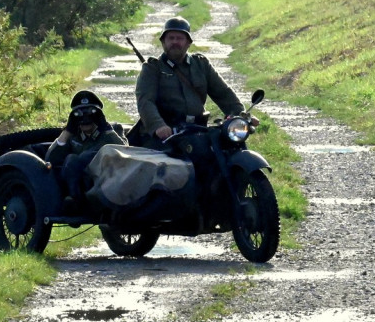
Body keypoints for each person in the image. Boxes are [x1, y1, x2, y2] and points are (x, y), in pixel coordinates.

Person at [134, 17, 247, 145]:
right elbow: (145, 101)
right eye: (171, 38)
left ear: (188, 43)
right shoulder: (152, 68)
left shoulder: (201, 64)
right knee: (164, 163)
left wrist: (241, 116)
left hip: (198, 131)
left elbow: (223, 93)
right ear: (163, 42)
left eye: (180, 38)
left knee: (229, 153)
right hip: (166, 134)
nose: (175, 42)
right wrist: (158, 126)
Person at [46, 90, 126, 201]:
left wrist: (106, 128)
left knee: (86, 156)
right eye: (79, 115)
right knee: (71, 159)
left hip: (105, 184)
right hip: (78, 186)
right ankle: (74, 199)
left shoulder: (111, 131)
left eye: (90, 114)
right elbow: (51, 159)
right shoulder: (73, 136)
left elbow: (126, 152)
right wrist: (67, 130)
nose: (85, 119)